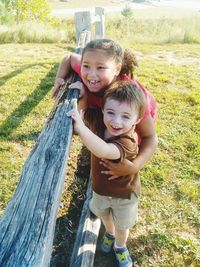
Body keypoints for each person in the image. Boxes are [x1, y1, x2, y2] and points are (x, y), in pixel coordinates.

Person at [67, 80, 147, 267]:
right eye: (110, 112)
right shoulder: (99, 121)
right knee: (103, 215)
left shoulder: (128, 141)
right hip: (100, 190)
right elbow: (84, 109)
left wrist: (80, 127)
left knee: (122, 225)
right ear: (103, 110)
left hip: (124, 195)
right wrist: (83, 93)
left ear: (137, 120)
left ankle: (120, 246)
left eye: (126, 116)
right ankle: (109, 234)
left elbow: (103, 149)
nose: (116, 121)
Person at [52, 38, 157, 180]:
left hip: (136, 113)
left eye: (100, 68)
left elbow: (149, 137)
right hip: (110, 112)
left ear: (117, 69)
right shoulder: (93, 68)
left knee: (125, 145)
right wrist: (59, 78)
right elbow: (69, 57)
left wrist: (134, 166)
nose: (91, 74)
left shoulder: (129, 100)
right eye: (86, 66)